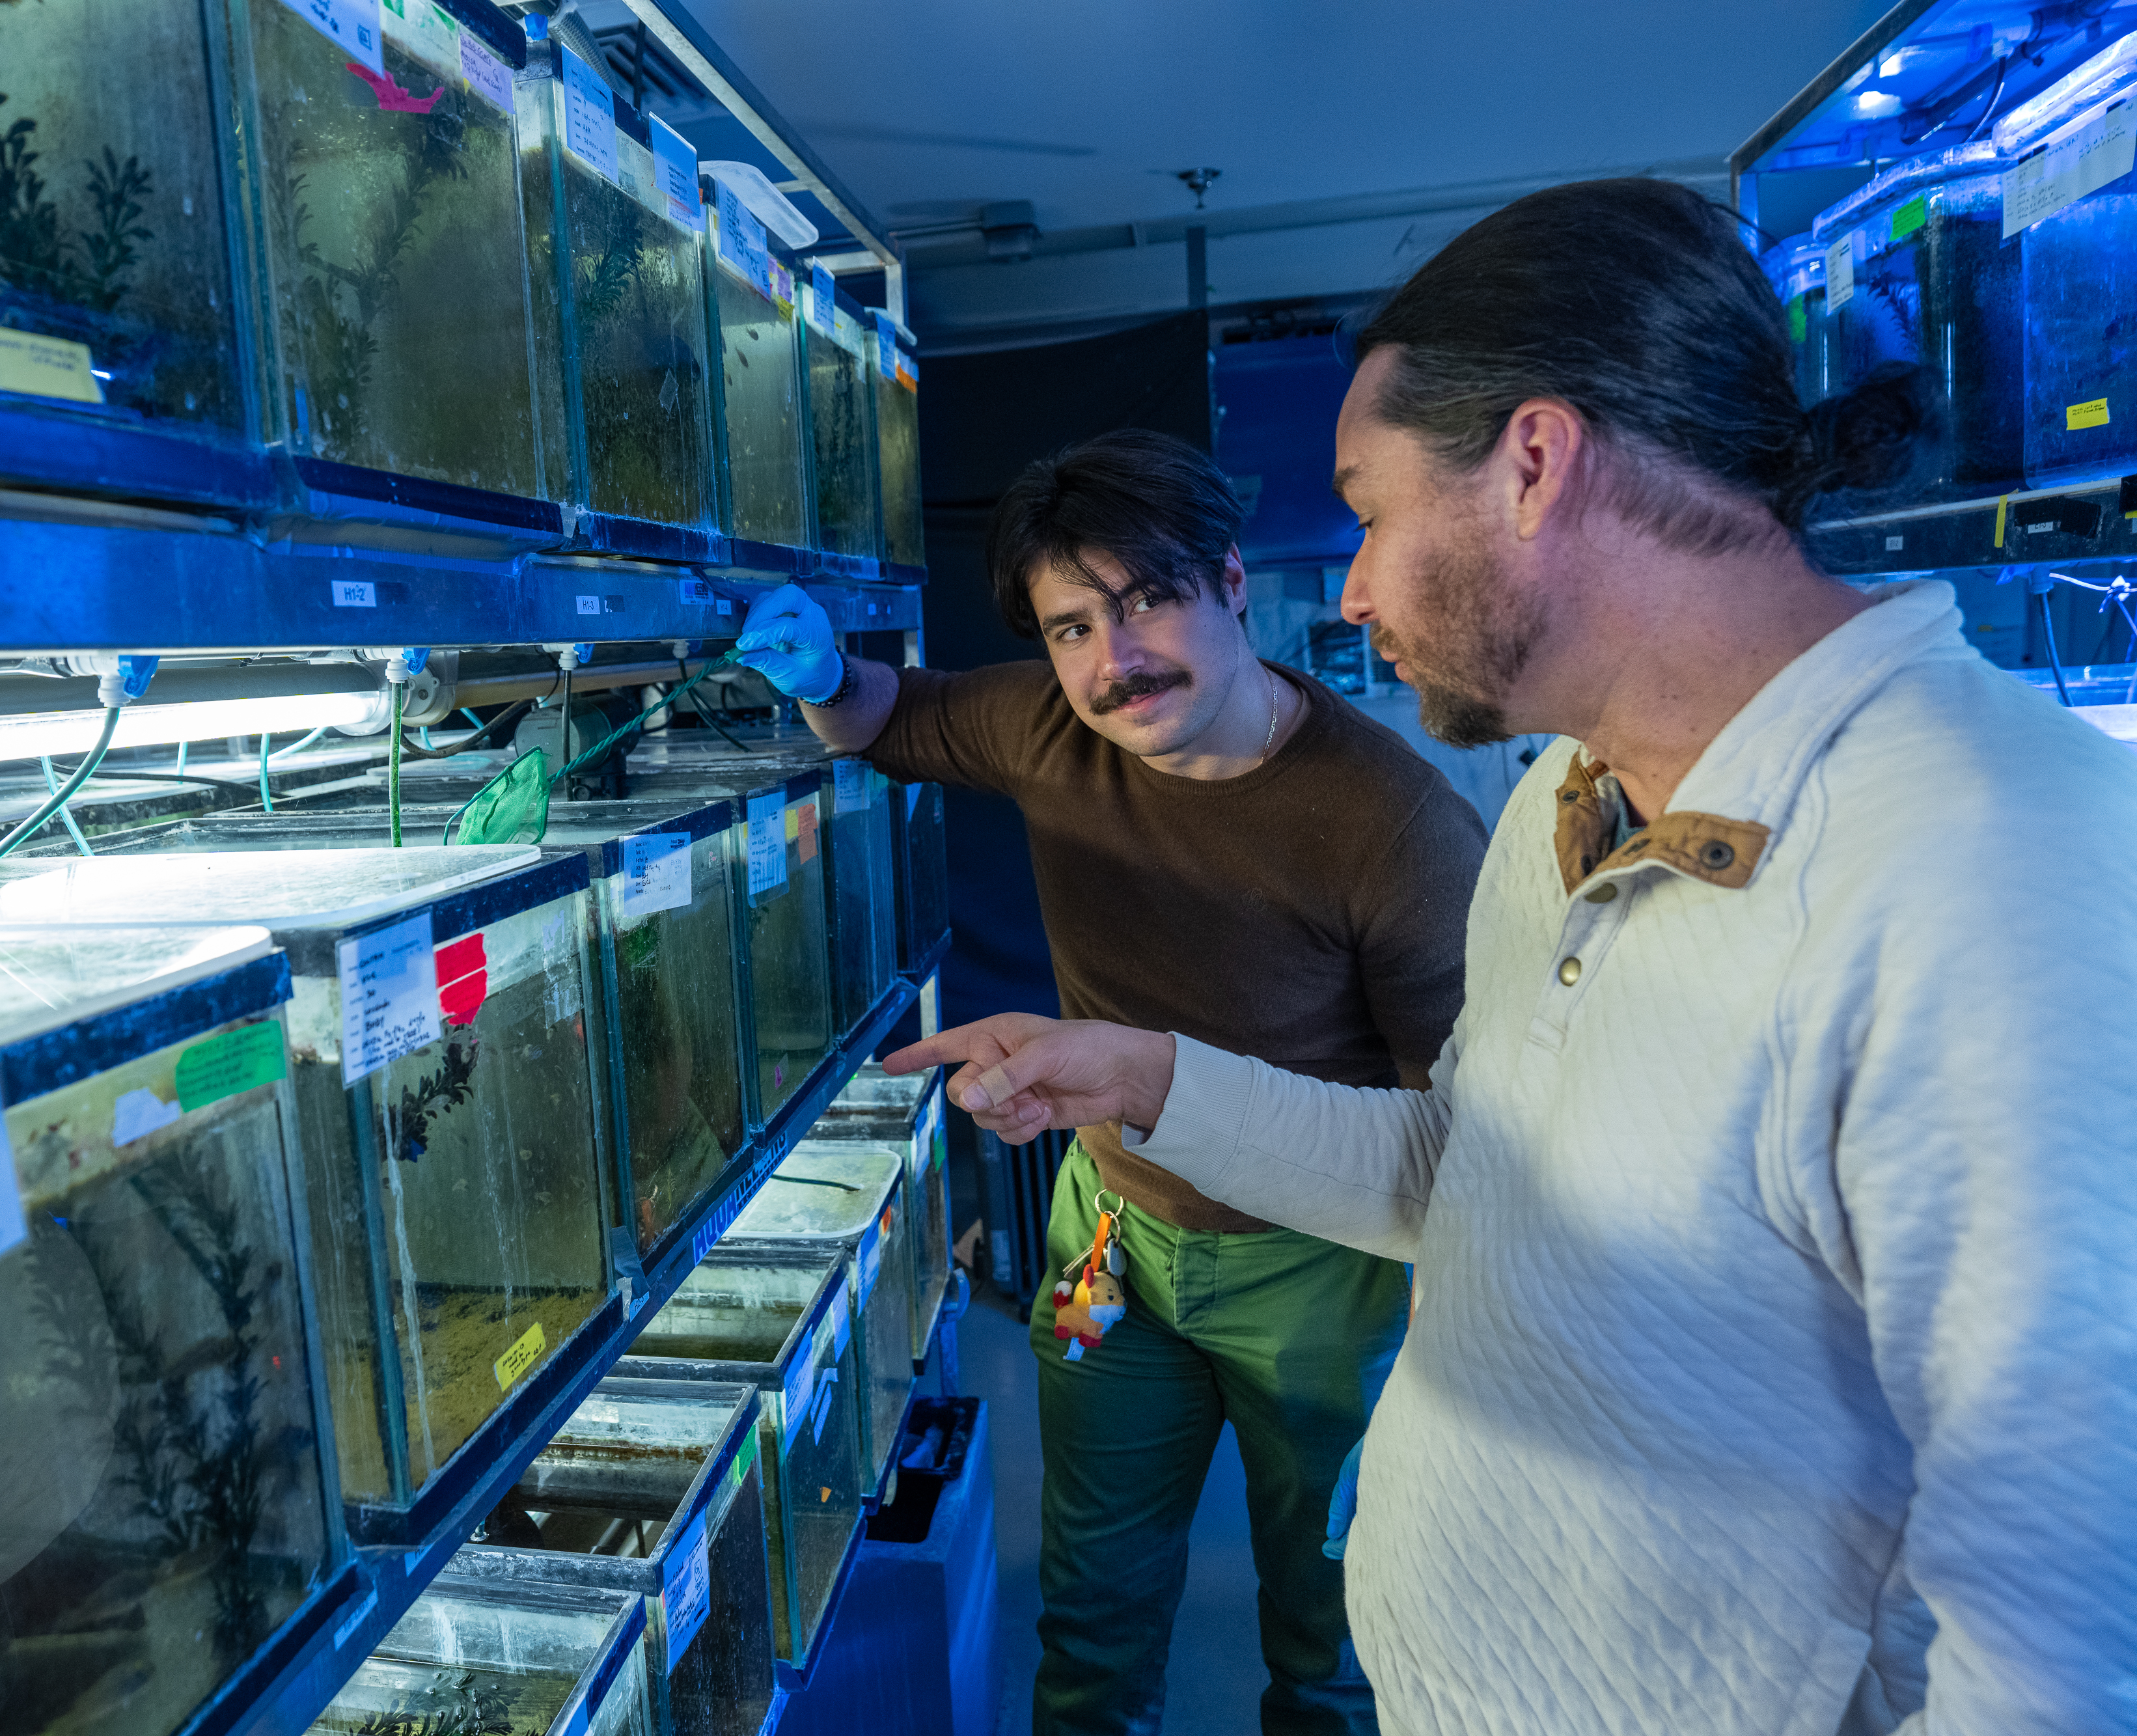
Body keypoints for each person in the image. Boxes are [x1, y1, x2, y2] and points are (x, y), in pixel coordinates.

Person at [890, 178, 2137, 1735]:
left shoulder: (1999, 864)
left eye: (1367, 511)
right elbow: (1462, 1165)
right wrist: (1144, 1075)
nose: (1341, 590)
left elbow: (2060, 1632)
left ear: (1533, 464)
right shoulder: (1570, 793)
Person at [734, 430, 1490, 1735]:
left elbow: (1455, 1138)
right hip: (1113, 1237)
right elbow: (888, 717)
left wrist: (1447, 1326)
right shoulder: (1047, 723)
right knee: (1091, 1608)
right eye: (1070, 624)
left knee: (1338, 1621)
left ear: (1233, 580)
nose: (1113, 658)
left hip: (1317, 1266)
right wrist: (815, 674)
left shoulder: (1393, 823)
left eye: (1147, 600)